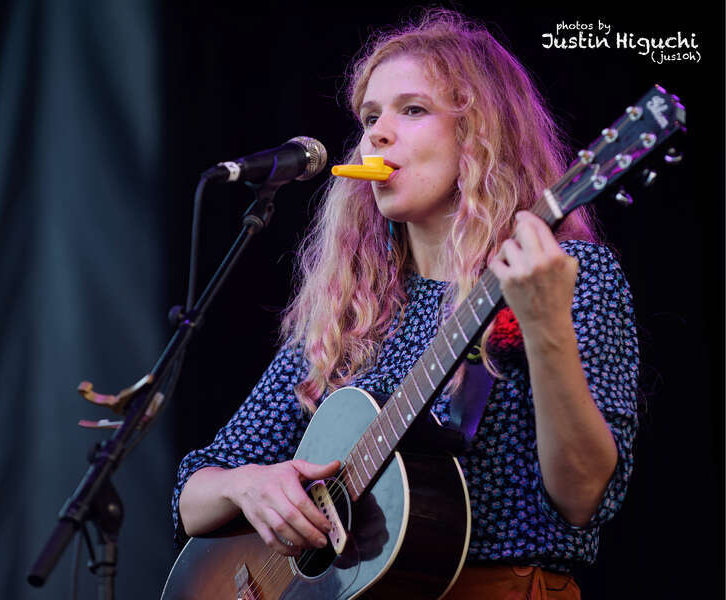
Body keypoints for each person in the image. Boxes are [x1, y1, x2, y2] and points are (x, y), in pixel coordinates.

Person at [172, 9, 638, 599]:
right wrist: (250, 486)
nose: (376, 134)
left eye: (412, 110)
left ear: (482, 133)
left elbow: (582, 498)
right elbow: (194, 493)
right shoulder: (351, 310)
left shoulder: (570, 276)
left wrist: (545, 327)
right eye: (370, 117)